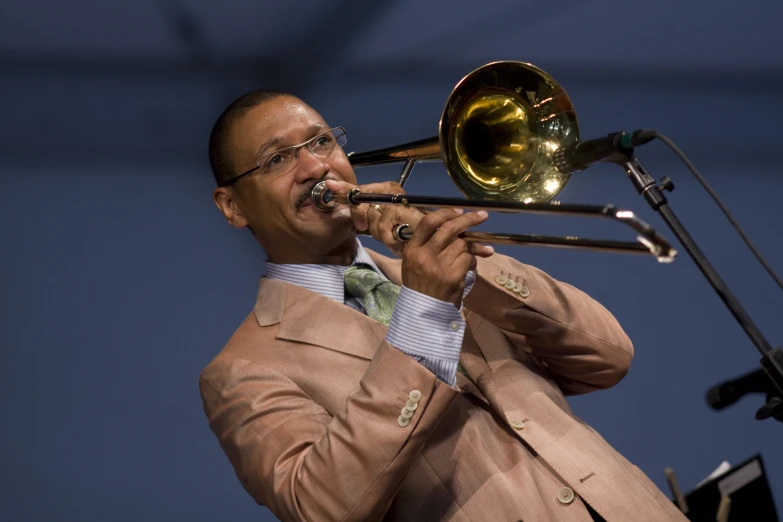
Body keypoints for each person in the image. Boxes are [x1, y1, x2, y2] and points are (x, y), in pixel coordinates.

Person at [199, 89, 688, 522]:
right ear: (232, 207)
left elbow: (607, 357)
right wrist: (425, 311)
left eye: (322, 141)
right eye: (277, 160)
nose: (314, 167)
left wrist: (467, 267)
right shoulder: (243, 371)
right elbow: (323, 507)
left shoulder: (437, 265)